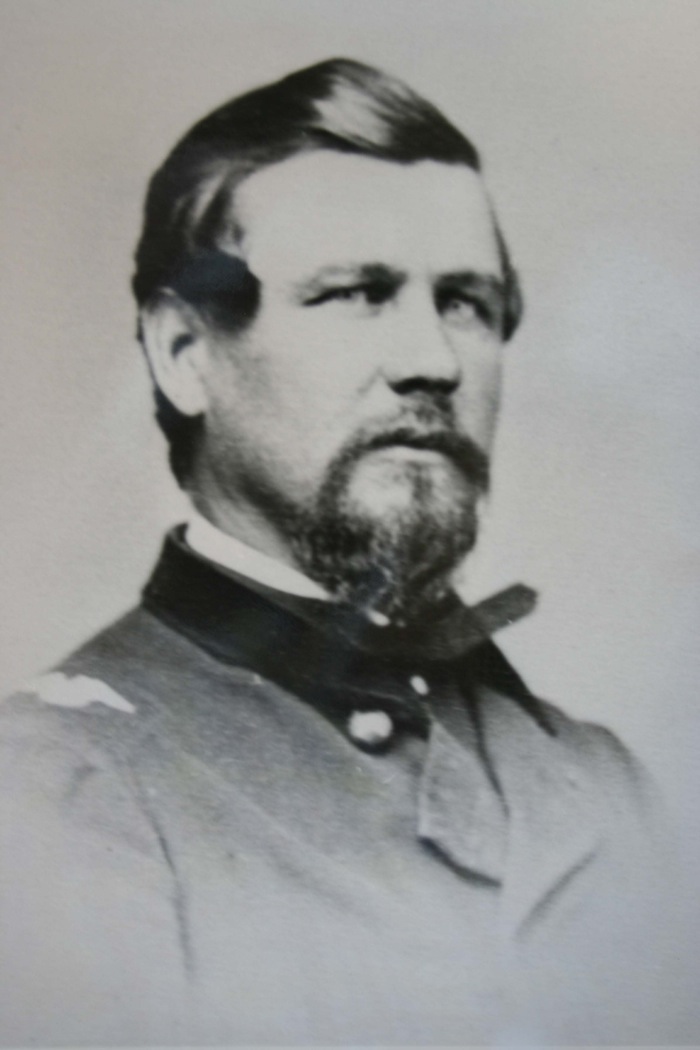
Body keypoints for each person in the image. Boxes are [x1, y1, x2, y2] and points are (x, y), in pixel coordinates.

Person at [0, 58, 683, 1045]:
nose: (433, 362)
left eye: (466, 303)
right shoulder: (58, 788)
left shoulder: (601, 784)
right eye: (359, 294)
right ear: (186, 356)